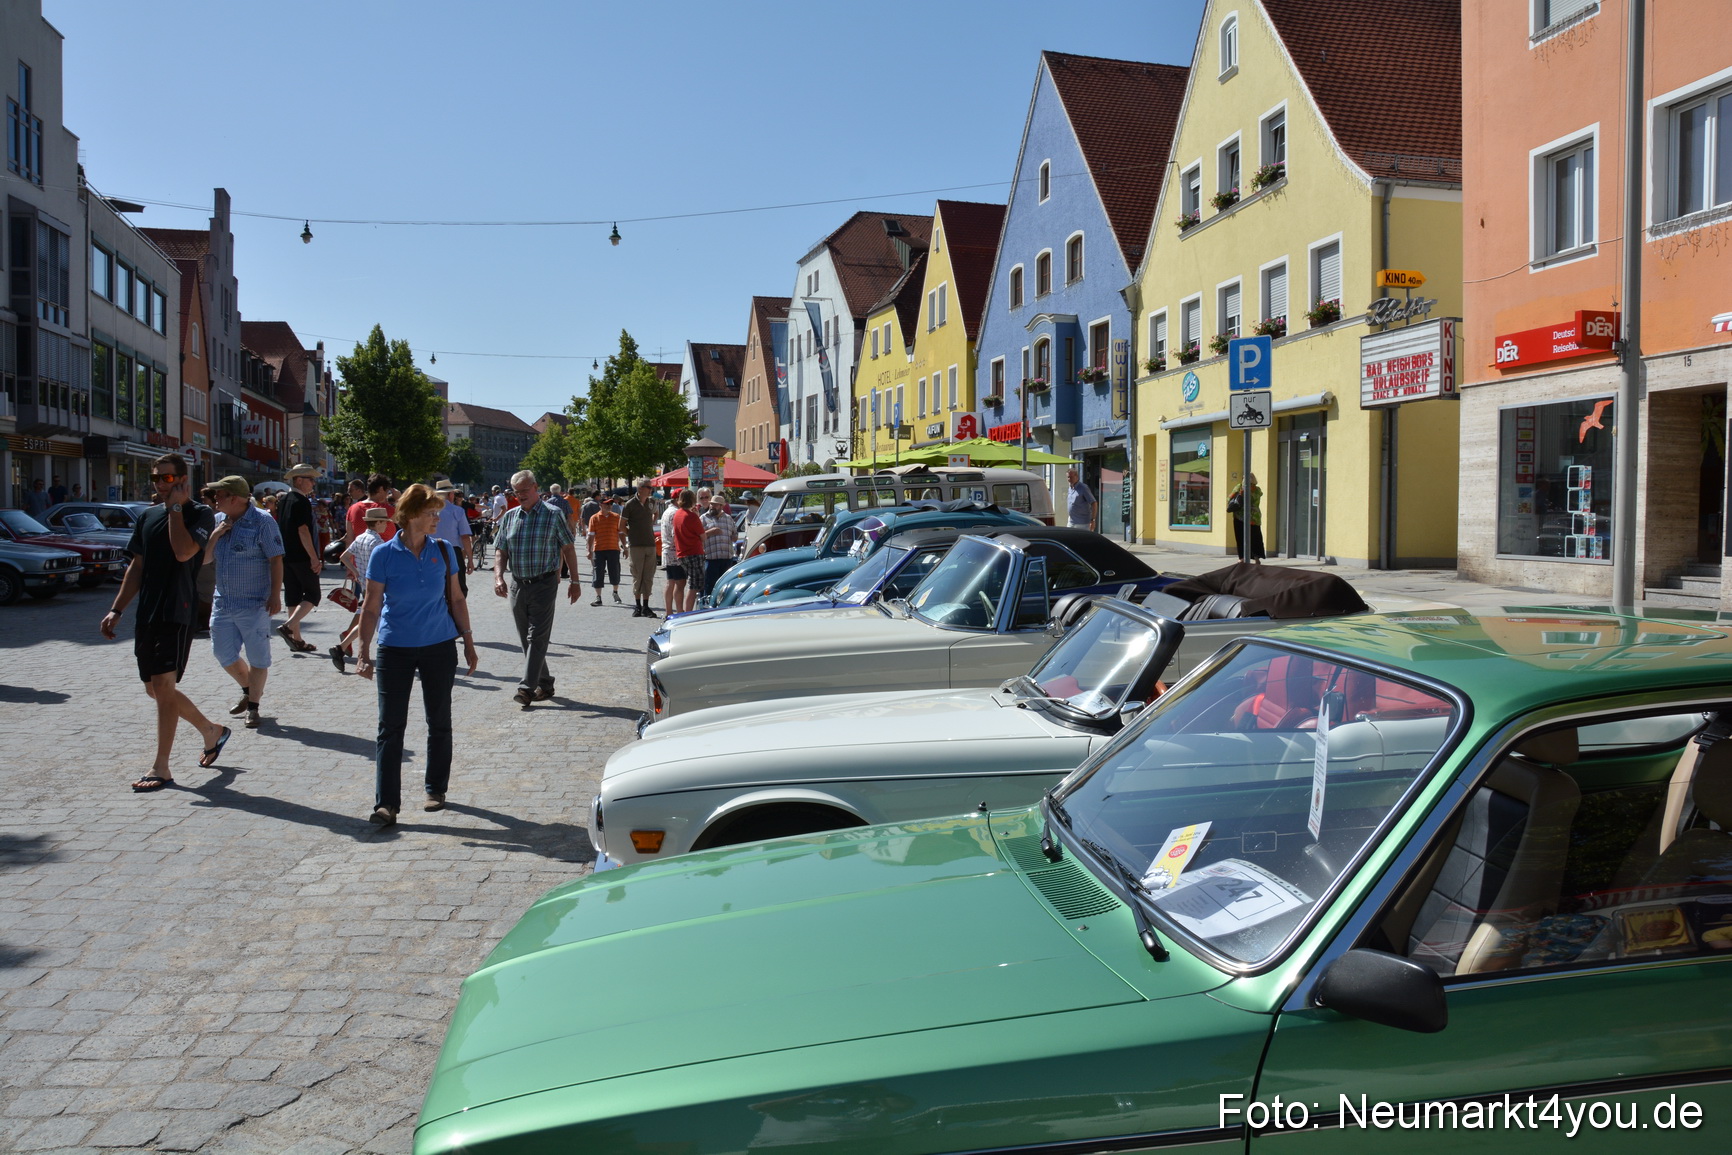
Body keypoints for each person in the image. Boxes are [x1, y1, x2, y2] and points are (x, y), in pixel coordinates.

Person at [99, 454, 231, 792]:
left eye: (168, 479)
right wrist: (117, 609)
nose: (160, 484)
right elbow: (137, 567)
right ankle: (211, 730)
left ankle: (161, 767)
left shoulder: (200, 514)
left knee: (164, 685)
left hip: (178, 609)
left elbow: (184, 552)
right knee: (155, 689)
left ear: (183, 479)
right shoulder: (146, 516)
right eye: (157, 478)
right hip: (148, 612)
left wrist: (174, 509)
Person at [355, 484, 478, 826]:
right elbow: (370, 607)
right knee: (390, 727)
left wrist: (467, 641)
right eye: (431, 513)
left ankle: (435, 789)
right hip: (395, 648)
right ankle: (386, 804)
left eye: (438, 512)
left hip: (439, 645)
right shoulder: (383, 554)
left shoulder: (443, 550)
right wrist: (363, 652)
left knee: (438, 721)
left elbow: (456, 598)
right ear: (410, 516)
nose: (437, 518)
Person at [492, 470, 581, 706]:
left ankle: (526, 688)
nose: (520, 495)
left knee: (537, 637)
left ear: (535, 488)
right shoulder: (510, 516)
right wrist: (498, 577)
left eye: (524, 490)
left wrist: (575, 581)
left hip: (544, 583)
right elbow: (500, 549)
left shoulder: (553, 515)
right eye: (516, 491)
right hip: (518, 584)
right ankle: (546, 682)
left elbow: (569, 548)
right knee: (526, 639)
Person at [203, 475, 284, 730]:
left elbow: (276, 560)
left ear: (235, 498)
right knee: (222, 653)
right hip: (223, 602)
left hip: (254, 603)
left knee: (259, 658)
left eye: (219, 495)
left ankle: (253, 707)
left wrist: (275, 595)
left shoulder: (263, 521)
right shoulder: (218, 521)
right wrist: (215, 535)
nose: (215, 499)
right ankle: (249, 690)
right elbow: (204, 560)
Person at [332, 505, 391, 670]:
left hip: (366, 584)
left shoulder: (360, 538)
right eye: (384, 522)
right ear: (378, 522)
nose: (386, 525)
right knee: (377, 619)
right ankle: (343, 647)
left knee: (369, 619)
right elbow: (383, 566)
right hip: (378, 586)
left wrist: (356, 572)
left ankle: (341, 647)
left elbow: (344, 557)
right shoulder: (377, 542)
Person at [275, 464, 324, 652]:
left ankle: (297, 639)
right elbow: (303, 530)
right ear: (299, 480)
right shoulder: (301, 501)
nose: (313, 483)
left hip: (286, 556)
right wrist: (314, 557)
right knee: (313, 594)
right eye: (310, 479)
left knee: (293, 595)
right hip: (301, 556)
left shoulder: (285, 499)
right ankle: (288, 627)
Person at [621, 479, 660, 618]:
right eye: (648, 487)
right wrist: (631, 535)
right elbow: (621, 525)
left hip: (650, 544)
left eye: (651, 487)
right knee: (637, 575)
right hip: (636, 545)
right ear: (640, 488)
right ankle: (637, 606)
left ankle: (646, 606)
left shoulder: (651, 502)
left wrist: (653, 521)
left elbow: (656, 513)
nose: (651, 490)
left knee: (648, 576)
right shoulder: (630, 504)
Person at [432, 480, 475, 595]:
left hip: (431, 551)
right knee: (459, 588)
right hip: (452, 552)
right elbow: (465, 537)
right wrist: (470, 559)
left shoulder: (428, 511)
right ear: (450, 494)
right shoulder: (457, 511)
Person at [670, 489, 706, 612]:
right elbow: (703, 536)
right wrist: (696, 515)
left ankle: (681, 611)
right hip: (694, 553)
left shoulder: (677, 514)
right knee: (694, 586)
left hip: (681, 553)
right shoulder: (691, 516)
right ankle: (688, 613)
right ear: (692, 500)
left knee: (682, 584)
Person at [585, 491, 623, 606]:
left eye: (610, 504)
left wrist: (626, 547)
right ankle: (598, 597)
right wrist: (589, 550)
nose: (609, 506)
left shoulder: (616, 517)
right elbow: (591, 535)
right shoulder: (594, 518)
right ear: (600, 505)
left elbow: (621, 533)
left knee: (615, 572)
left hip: (613, 548)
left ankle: (615, 592)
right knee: (598, 573)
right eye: (606, 504)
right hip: (599, 549)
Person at [346, 474, 397, 545]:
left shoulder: (352, 508)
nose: (387, 495)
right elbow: (407, 520)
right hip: (382, 554)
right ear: (381, 489)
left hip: (360, 554)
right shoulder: (384, 509)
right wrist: (399, 499)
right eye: (387, 491)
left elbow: (349, 539)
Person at [701, 495, 737, 596]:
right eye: (711, 504)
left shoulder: (728, 518)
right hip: (711, 559)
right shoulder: (703, 519)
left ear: (721, 506)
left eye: (715, 505)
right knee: (710, 586)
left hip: (726, 559)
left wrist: (734, 537)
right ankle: (708, 609)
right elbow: (697, 537)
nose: (712, 506)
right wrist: (709, 532)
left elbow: (735, 534)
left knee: (725, 587)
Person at [1227, 473, 1265, 563]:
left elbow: (1230, 498)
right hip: (1254, 517)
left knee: (1240, 537)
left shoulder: (1240, 487)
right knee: (1255, 537)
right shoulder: (1257, 490)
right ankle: (1257, 557)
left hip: (1240, 516)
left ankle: (1242, 558)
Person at [660, 489, 688, 615]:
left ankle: (669, 611)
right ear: (678, 499)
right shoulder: (676, 513)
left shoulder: (667, 511)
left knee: (670, 582)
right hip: (675, 552)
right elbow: (676, 534)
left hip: (667, 551)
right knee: (680, 583)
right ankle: (680, 611)